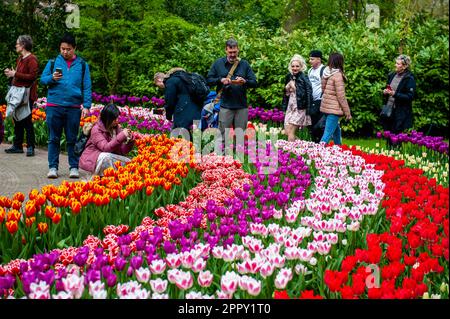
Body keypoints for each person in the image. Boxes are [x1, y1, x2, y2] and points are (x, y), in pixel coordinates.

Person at [40, 33, 92, 179]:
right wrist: (52, 78)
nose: (65, 52)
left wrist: (87, 105)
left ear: (74, 48)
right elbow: (42, 80)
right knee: (53, 138)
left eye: (68, 49)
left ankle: (74, 167)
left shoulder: (82, 65)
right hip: (54, 105)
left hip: (73, 107)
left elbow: (87, 86)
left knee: (72, 138)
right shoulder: (52, 62)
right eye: (62, 49)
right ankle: (52, 167)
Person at [206, 38, 257, 151]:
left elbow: (254, 82)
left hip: (241, 106)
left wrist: (245, 81)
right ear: (226, 50)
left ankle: (238, 161)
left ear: (238, 50)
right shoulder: (218, 63)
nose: (233, 55)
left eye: (235, 52)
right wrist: (221, 80)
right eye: (230, 52)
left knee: (240, 137)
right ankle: (219, 159)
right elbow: (208, 80)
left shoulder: (244, 64)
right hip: (225, 105)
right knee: (221, 136)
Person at [3, 35, 38, 156]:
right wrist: (12, 74)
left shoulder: (32, 59)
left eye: (17, 43)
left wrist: (15, 74)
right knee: (17, 119)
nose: (16, 45)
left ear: (23, 45)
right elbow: (19, 75)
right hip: (17, 94)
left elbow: (32, 77)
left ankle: (30, 147)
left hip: (26, 94)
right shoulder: (20, 58)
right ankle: (17, 145)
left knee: (26, 120)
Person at [79, 104, 134, 176]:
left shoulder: (116, 128)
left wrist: (130, 141)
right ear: (107, 118)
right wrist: (122, 135)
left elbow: (122, 151)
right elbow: (105, 148)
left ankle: (113, 180)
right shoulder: (96, 129)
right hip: (93, 158)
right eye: (114, 119)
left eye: (117, 118)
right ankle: (103, 178)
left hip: (108, 157)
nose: (117, 121)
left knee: (130, 163)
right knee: (106, 157)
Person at [154, 67, 202, 136]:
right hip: (197, 110)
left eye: (158, 85)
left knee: (178, 135)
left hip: (183, 112)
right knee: (189, 135)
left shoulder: (171, 81)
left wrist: (168, 115)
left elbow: (170, 101)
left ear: (159, 80)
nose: (161, 87)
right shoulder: (186, 79)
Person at [320, 52, 352, 145]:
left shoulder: (326, 72)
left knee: (336, 131)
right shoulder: (337, 76)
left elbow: (323, 89)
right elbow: (341, 97)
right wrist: (347, 113)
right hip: (333, 109)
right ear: (340, 62)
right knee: (327, 134)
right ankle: (317, 154)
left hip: (326, 107)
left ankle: (340, 150)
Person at [381, 54, 416, 135]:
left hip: (400, 112)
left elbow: (410, 96)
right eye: (396, 63)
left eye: (398, 64)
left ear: (404, 66)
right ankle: (389, 148)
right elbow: (389, 88)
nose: (395, 65)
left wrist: (395, 94)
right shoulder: (391, 75)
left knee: (397, 136)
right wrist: (385, 92)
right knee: (388, 134)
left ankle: (396, 148)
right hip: (388, 109)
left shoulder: (409, 78)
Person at [281, 54, 313, 142]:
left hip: (300, 108)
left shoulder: (304, 78)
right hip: (290, 107)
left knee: (291, 131)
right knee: (287, 132)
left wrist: (308, 110)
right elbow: (286, 94)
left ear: (301, 67)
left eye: (297, 66)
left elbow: (309, 93)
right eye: (293, 66)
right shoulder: (288, 76)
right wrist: (287, 88)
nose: (295, 68)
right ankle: (301, 146)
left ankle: (290, 152)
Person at [308, 50, 326, 143]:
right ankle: (315, 143)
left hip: (321, 101)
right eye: (310, 59)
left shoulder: (324, 70)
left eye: (312, 59)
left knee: (319, 126)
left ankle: (321, 144)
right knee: (312, 124)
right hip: (312, 101)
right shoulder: (310, 70)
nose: (310, 61)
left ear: (318, 59)